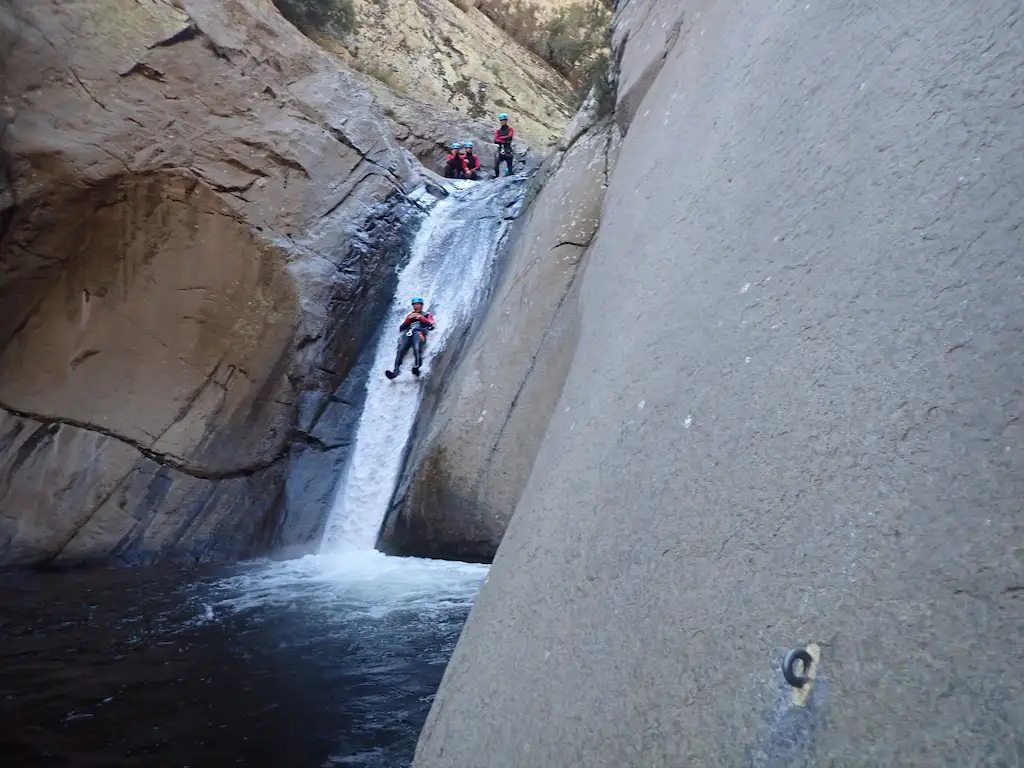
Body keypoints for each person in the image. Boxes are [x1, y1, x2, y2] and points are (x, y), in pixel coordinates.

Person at [385, 297, 436, 379]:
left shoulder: (427, 314)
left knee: (417, 348)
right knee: (400, 349)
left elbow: (431, 326)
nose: (416, 306)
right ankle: (395, 371)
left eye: (418, 304)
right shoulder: (410, 316)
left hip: (419, 332)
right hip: (408, 333)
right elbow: (401, 328)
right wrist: (407, 320)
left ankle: (417, 367)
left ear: (421, 305)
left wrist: (421, 318)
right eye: (414, 304)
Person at [493, 113, 515, 178]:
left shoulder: (510, 129)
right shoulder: (498, 131)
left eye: (504, 120)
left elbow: (510, 136)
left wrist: (500, 138)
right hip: (501, 150)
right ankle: (496, 177)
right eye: (501, 120)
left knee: (509, 166)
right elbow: (495, 140)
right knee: (496, 165)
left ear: (506, 120)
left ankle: (510, 175)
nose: (502, 121)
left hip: (508, 149)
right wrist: (504, 139)